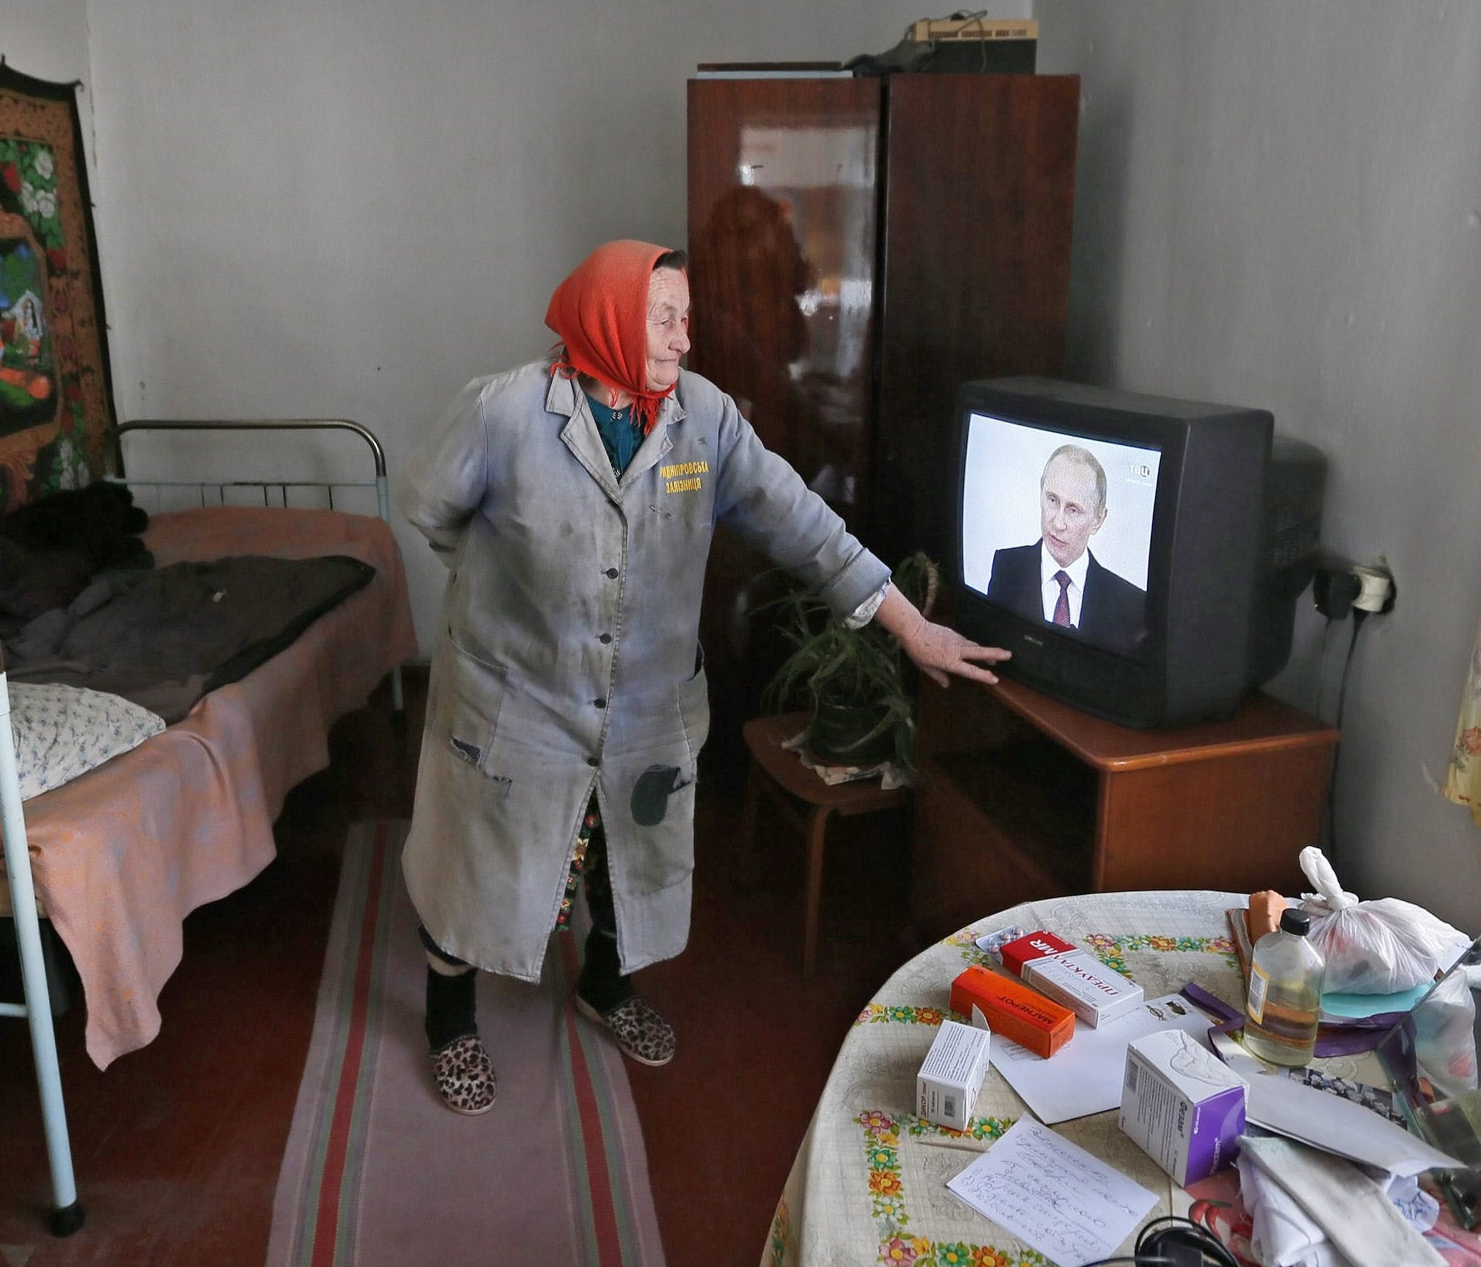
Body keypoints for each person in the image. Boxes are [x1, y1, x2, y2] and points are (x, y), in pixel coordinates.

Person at [398, 240, 1007, 1115]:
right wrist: (501, 590)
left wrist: (909, 625)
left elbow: (803, 523)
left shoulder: (703, 418)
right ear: (607, 315)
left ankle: (602, 988)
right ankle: (450, 1022)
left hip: (649, 708)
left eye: (688, 319)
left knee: (627, 863)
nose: (685, 340)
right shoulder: (504, 412)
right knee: (478, 867)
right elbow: (427, 505)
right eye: (665, 318)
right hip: (517, 704)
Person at [985, 443, 1146, 653]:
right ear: (1040, 493)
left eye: (1073, 510)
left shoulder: (1130, 603)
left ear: (1098, 519)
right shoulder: (1006, 567)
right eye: (1052, 500)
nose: (1058, 523)